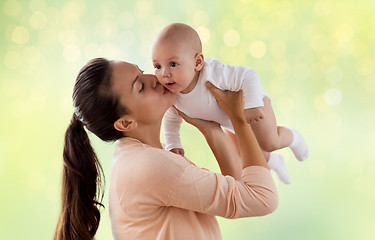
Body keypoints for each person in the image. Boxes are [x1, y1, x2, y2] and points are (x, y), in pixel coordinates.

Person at [53, 58, 278, 240]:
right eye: (140, 86)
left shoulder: (142, 156)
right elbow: (262, 198)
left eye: (142, 71)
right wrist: (238, 117)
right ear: (125, 123)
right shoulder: (150, 166)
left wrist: (211, 129)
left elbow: (237, 193)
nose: (154, 78)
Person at [151, 23, 309, 184]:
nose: (164, 74)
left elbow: (248, 75)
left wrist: (253, 104)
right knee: (246, 155)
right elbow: (171, 117)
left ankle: (294, 138)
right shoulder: (173, 95)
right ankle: (275, 162)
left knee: (268, 142)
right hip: (229, 122)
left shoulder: (213, 74)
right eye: (157, 66)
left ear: (197, 62)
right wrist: (173, 143)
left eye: (172, 64)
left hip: (252, 104)